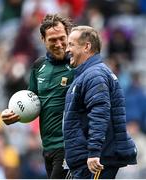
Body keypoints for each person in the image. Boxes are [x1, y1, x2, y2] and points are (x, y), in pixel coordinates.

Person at [1, 13, 74, 179]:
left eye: (62, 38)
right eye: (52, 40)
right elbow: (31, 102)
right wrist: (13, 114)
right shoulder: (38, 66)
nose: (59, 44)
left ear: (68, 36)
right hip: (47, 147)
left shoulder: (76, 65)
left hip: (68, 146)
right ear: (43, 39)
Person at [63, 25, 137, 179]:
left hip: (96, 161)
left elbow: (100, 114)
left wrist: (94, 152)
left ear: (86, 47)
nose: (67, 50)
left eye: (71, 44)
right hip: (88, 160)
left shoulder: (94, 75)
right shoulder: (88, 74)